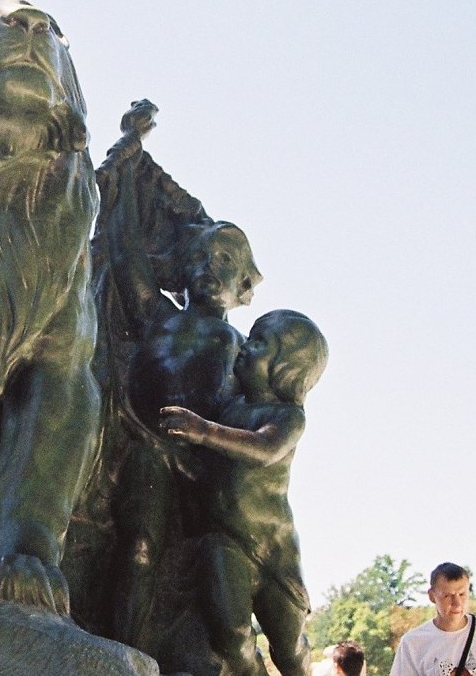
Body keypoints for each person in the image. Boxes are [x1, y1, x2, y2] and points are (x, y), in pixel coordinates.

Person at [103, 100, 263, 654]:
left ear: (244, 282)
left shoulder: (243, 349)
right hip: (134, 440)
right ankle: (118, 649)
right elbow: (125, 258)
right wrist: (122, 174)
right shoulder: (160, 319)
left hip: (190, 465)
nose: (206, 266)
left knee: (146, 549)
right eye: (201, 255)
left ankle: (129, 650)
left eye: (223, 261)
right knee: (135, 549)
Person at [160, 308, 328, 676]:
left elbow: (264, 448)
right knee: (233, 639)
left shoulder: (287, 417)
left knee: (288, 649)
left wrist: (205, 431)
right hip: (225, 541)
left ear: (286, 366)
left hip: (273, 553)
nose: (245, 347)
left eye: (259, 343)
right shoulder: (228, 408)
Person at [389, 563, 476, 676]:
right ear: (432, 596)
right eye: (448, 595)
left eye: (462, 594)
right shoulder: (413, 643)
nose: (457, 603)